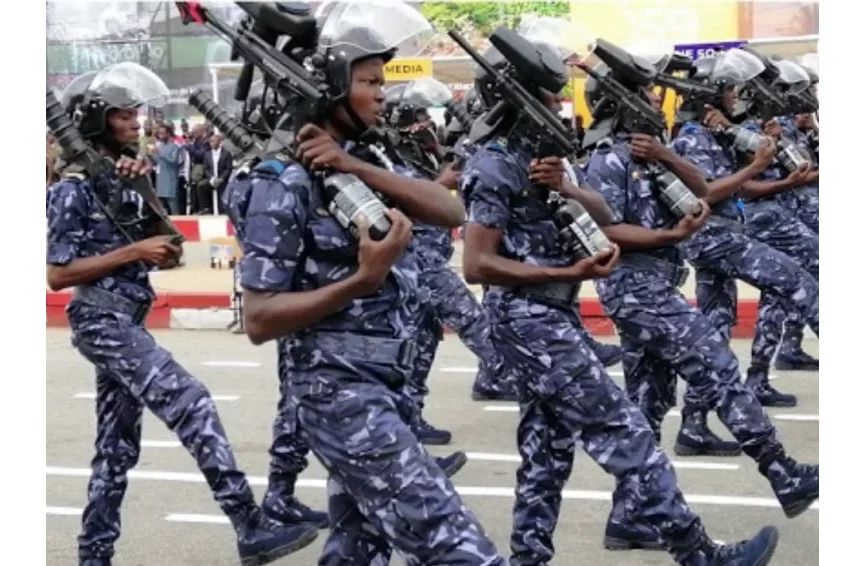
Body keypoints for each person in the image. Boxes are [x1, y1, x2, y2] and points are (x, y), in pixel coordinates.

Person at [462, 38, 780, 566]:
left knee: (546, 453)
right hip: (528, 318)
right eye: (549, 97)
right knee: (624, 430)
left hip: (547, 312)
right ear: (513, 100)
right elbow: (477, 265)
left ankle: (527, 557)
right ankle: (698, 552)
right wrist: (569, 271)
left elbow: (603, 212)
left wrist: (565, 186)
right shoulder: (494, 164)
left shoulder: (538, 161)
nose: (560, 107)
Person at [239, 6, 506, 563]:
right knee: (455, 543)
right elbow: (259, 320)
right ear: (331, 87)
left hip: (386, 383)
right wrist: (362, 280)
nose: (381, 93)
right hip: (340, 392)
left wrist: (354, 167)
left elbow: (450, 208)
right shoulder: (282, 182)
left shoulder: (364, 159)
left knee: (358, 548)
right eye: (368, 82)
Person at [45, 61, 318, 566]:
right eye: (124, 115)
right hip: (100, 320)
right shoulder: (72, 188)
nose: (136, 123)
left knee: (116, 451)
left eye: (136, 114)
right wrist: (134, 252)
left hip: (126, 319)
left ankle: (93, 553)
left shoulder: (124, 176)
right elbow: (58, 275)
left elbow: (171, 246)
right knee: (191, 400)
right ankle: (248, 523)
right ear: (98, 121)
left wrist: (144, 193)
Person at [584, 58, 817, 552]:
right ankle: (783, 473)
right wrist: (671, 234)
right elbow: (608, 230)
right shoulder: (608, 159)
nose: (655, 101)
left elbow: (703, 191)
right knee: (716, 365)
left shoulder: (651, 154)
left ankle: (628, 518)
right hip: (634, 287)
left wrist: (668, 156)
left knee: (648, 403)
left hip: (655, 286)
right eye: (645, 96)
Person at [667, 54, 819, 456]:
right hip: (711, 236)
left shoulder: (719, 133)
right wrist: (758, 166)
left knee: (715, 332)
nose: (737, 97)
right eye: (731, 89)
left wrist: (752, 146)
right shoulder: (690, 139)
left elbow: (744, 178)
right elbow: (708, 193)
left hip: (725, 233)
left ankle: (693, 427)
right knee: (797, 280)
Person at [151, 122, 183, 215]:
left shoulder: (175, 147)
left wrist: (160, 154)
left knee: (173, 207)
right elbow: (158, 162)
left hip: (170, 180)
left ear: (168, 134)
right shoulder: (160, 147)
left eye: (162, 133)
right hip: (160, 180)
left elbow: (174, 161)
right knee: (161, 209)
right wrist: (151, 155)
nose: (160, 136)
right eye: (159, 133)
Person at [198, 133, 233, 214]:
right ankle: (206, 208)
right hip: (212, 179)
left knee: (222, 200)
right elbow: (206, 169)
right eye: (210, 142)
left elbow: (228, 168)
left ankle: (223, 212)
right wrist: (211, 178)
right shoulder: (207, 154)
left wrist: (221, 179)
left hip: (222, 180)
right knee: (201, 185)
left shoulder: (226, 153)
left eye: (214, 141)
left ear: (219, 142)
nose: (211, 143)